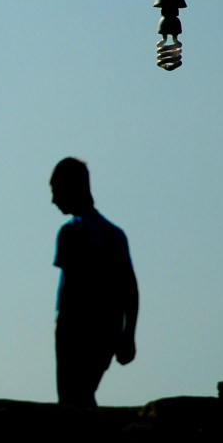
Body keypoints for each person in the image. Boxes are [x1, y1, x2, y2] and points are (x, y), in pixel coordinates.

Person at [49, 157, 139, 406]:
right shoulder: (115, 234)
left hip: (76, 329)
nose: (54, 200)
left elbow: (70, 290)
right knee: (84, 393)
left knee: (71, 398)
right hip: (107, 329)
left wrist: (63, 327)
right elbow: (130, 289)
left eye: (56, 192)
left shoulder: (71, 232)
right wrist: (128, 333)